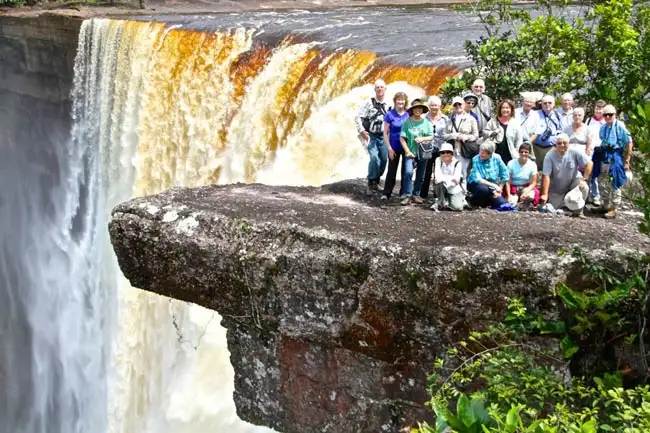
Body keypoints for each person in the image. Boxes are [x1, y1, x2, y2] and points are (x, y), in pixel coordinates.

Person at [540, 133, 593, 218]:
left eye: (565, 143)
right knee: (554, 208)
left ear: (569, 143)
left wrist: (584, 179)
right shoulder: (549, 156)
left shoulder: (574, 151)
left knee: (584, 187)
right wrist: (544, 194)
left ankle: (578, 211)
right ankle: (567, 207)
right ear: (555, 144)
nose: (562, 145)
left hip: (573, 183)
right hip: (557, 189)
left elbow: (589, 163)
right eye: (559, 143)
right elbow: (546, 176)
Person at [593, 105, 632, 219]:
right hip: (605, 155)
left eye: (610, 114)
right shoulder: (603, 128)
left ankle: (614, 208)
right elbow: (603, 141)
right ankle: (605, 205)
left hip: (616, 155)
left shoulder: (620, 126)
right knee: (602, 179)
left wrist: (627, 160)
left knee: (615, 180)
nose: (608, 117)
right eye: (606, 115)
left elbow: (629, 142)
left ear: (615, 115)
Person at [355, 79, 389, 195]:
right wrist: (362, 131)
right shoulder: (368, 103)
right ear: (375, 90)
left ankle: (376, 181)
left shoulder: (389, 104)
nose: (380, 89)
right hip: (372, 136)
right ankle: (371, 181)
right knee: (374, 158)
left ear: (385, 89)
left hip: (384, 136)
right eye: (377, 87)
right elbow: (358, 117)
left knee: (384, 160)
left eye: (382, 87)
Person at [399, 99, 433, 205]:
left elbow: (431, 136)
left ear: (422, 110)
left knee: (421, 175)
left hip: (423, 152)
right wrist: (407, 151)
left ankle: (416, 194)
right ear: (412, 110)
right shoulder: (407, 122)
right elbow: (402, 138)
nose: (418, 110)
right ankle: (407, 194)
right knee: (408, 172)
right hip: (410, 152)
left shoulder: (426, 122)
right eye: (415, 108)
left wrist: (422, 139)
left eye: (420, 108)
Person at [416, 96, 449, 200]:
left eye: (436, 105)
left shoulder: (445, 119)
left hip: (441, 148)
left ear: (440, 106)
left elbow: (448, 134)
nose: (434, 107)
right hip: (426, 147)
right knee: (426, 171)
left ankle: (438, 194)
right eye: (432, 105)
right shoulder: (423, 118)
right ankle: (423, 193)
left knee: (439, 171)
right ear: (429, 106)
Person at [381, 92, 409, 201]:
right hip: (394, 147)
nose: (400, 102)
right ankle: (386, 193)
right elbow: (385, 133)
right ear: (395, 101)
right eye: (398, 99)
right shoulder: (389, 114)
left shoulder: (408, 115)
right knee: (391, 171)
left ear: (405, 101)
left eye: (402, 100)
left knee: (405, 171)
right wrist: (389, 148)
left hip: (406, 147)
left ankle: (403, 193)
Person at [443, 96, 479, 183]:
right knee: (452, 172)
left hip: (464, 150)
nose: (458, 106)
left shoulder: (471, 119)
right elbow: (444, 136)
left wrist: (465, 137)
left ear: (463, 105)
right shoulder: (450, 120)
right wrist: (454, 135)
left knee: (464, 172)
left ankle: (463, 192)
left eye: (460, 104)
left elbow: (475, 135)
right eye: (455, 105)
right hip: (452, 150)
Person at [467, 140, 509, 208]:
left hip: (492, 186)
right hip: (477, 184)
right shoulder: (476, 159)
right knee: (483, 190)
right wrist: (495, 186)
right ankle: (473, 202)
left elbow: (505, 173)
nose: (481, 154)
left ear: (490, 154)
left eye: (483, 153)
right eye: (480, 151)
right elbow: (478, 179)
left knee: (501, 203)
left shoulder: (497, 158)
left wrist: (499, 189)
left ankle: (486, 202)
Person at [482, 99, 524, 166]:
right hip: (494, 154)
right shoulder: (493, 121)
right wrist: (492, 133)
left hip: (510, 155)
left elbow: (519, 141)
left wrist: (517, 154)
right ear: (500, 110)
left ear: (511, 109)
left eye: (507, 108)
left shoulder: (516, 123)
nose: (505, 110)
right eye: (503, 108)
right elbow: (484, 133)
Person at [532, 95, 563, 171]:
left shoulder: (558, 116)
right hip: (536, 148)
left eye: (550, 103)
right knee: (535, 170)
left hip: (551, 148)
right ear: (541, 104)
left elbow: (561, 131)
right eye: (545, 103)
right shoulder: (535, 114)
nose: (547, 105)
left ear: (554, 104)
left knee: (549, 170)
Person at [430, 143, 464, 212]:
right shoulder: (438, 160)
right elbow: (437, 177)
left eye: (448, 152)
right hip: (441, 186)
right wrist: (451, 178)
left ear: (452, 153)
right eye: (443, 152)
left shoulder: (458, 163)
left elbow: (457, 180)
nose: (445, 154)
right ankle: (440, 202)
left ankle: (449, 200)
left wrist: (444, 179)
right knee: (437, 183)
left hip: (453, 188)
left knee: (458, 208)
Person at [586, 100, 608, 206]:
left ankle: (598, 196)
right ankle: (590, 194)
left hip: (602, 151)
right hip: (590, 150)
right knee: (589, 172)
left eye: (600, 108)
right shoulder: (589, 120)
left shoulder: (606, 121)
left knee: (599, 174)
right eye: (597, 108)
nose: (598, 110)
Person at [505, 142, 539, 209]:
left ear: (529, 153)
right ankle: (517, 201)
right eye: (522, 152)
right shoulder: (511, 163)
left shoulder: (532, 165)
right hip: (513, 187)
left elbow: (534, 182)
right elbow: (507, 181)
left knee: (530, 196)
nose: (523, 154)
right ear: (519, 152)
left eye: (526, 152)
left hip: (525, 186)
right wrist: (508, 195)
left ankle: (525, 203)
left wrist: (527, 191)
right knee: (511, 203)